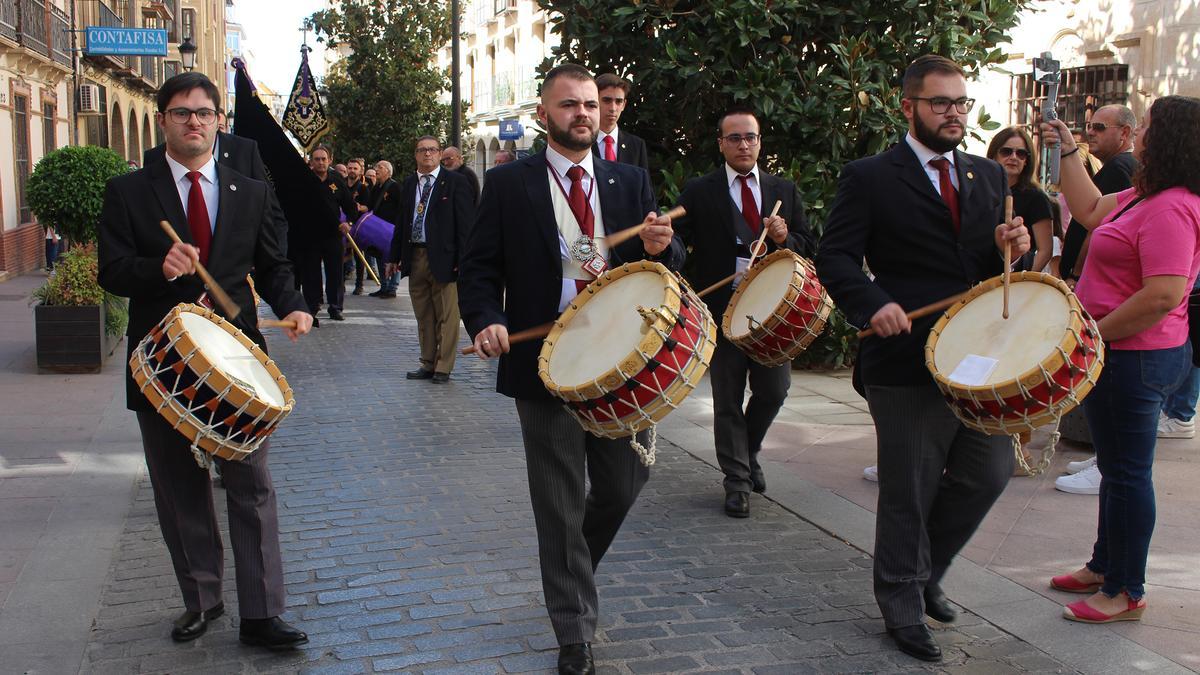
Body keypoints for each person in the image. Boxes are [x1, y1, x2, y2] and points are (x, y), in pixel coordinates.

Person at [458, 63, 681, 675]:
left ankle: (570, 566)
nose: (583, 113)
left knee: (621, 485)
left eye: (589, 104)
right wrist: (484, 320)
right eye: (569, 105)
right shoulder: (509, 185)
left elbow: (666, 256)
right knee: (557, 502)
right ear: (543, 114)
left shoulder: (629, 180)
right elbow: (478, 270)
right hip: (545, 361)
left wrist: (664, 245)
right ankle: (574, 629)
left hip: (623, 361)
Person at [816, 55, 1029, 662]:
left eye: (961, 102)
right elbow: (835, 258)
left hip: (979, 357)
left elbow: (995, 271)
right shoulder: (870, 176)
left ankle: (924, 570)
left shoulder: (988, 177)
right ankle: (902, 603)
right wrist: (872, 302)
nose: (954, 112)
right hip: (903, 356)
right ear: (908, 106)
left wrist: (1010, 248)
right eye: (940, 103)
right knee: (908, 488)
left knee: (988, 472)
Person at [96, 72, 313, 650]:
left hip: (237, 361)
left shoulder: (251, 190)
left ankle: (262, 613)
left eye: (205, 112)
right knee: (178, 486)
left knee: (251, 485)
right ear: (163, 120)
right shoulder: (130, 192)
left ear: (220, 120)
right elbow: (111, 270)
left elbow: (274, 265)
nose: (194, 121)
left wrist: (293, 306)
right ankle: (202, 600)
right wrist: (158, 268)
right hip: (161, 363)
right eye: (181, 112)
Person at [1041, 95, 1200, 624]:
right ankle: (1104, 564)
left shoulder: (1174, 205)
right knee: (1115, 469)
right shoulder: (1141, 197)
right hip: (1117, 353)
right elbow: (1087, 208)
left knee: (1129, 475)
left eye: (1147, 127)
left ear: (1171, 139)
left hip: (1137, 358)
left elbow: (1163, 295)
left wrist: (1090, 337)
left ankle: (1127, 590)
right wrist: (1066, 149)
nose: (1138, 136)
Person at [674, 106, 815, 518]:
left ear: (759, 142)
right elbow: (676, 246)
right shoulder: (701, 191)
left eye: (750, 137)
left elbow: (808, 245)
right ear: (721, 143)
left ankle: (748, 452)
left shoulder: (782, 189)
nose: (743, 144)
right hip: (722, 311)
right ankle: (737, 480)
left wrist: (787, 236)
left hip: (775, 312)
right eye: (734, 138)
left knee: (775, 390)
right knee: (728, 399)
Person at [387, 136, 476, 383]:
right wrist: (394, 256)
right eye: (422, 150)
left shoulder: (455, 182)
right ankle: (427, 362)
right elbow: (402, 223)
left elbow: (466, 226)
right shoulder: (409, 184)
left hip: (446, 258)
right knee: (424, 314)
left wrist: (463, 259)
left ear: (439, 154)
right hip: (415, 256)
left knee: (448, 316)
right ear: (415, 155)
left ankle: (443, 367)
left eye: (432, 150)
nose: (427, 154)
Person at [1059, 105, 1139, 284]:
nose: (1091, 133)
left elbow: (1098, 225)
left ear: (1124, 133)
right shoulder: (1124, 165)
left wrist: (1077, 274)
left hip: (1088, 281)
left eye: (1099, 127)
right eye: (1089, 126)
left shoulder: (1118, 167)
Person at [301, 144, 358, 323]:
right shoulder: (305, 180)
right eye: (317, 159)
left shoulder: (337, 180)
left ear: (330, 160)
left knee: (335, 272)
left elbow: (350, 206)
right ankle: (312, 305)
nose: (320, 163)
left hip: (333, 235)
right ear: (311, 161)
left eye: (324, 159)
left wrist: (348, 223)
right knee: (311, 273)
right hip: (310, 236)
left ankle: (335, 306)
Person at [987, 127, 1053, 273]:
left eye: (1021, 153)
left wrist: (1022, 281)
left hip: (1017, 280)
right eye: (1006, 151)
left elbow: (1045, 251)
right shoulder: (981, 191)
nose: (1014, 157)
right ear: (993, 155)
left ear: (1026, 161)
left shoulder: (1037, 197)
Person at [591, 73, 650, 171]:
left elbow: (645, 185)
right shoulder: (581, 142)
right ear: (594, 101)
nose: (613, 108)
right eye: (607, 100)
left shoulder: (636, 145)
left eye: (618, 101)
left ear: (624, 105)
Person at [370, 160, 403, 298]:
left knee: (392, 257)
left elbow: (402, 207)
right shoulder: (376, 187)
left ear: (388, 172)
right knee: (379, 256)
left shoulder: (395, 187)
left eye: (380, 167)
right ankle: (383, 286)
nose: (376, 169)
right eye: (376, 167)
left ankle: (392, 288)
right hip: (379, 228)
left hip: (391, 229)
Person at [345, 157, 374, 295]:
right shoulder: (341, 184)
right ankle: (340, 283)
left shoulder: (363, 188)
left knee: (358, 255)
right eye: (350, 168)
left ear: (360, 171)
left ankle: (359, 285)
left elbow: (368, 207)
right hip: (342, 225)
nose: (352, 171)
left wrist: (358, 207)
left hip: (357, 225)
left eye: (355, 168)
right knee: (341, 255)